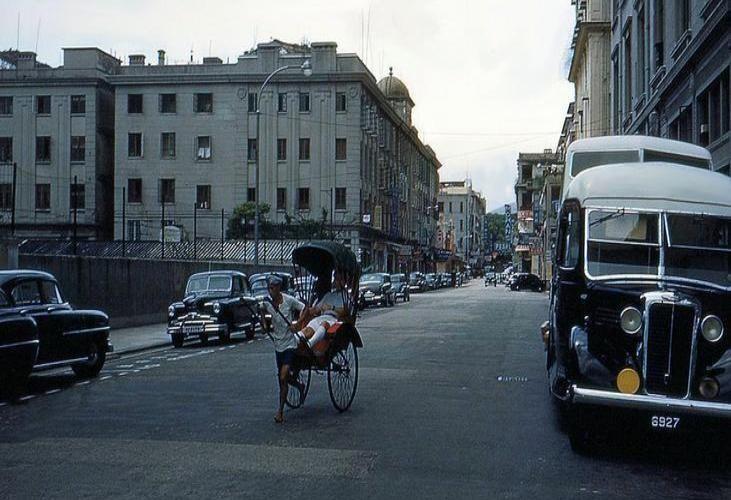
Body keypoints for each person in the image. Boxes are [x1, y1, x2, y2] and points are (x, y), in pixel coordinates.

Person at [259, 275, 305, 424]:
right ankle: (298, 385)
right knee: (282, 379)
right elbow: (261, 309)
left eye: (273, 288)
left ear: (278, 288)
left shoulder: (289, 300)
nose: (270, 291)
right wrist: (264, 324)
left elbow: (304, 308)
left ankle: (280, 411)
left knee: (283, 376)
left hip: (290, 344)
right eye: (269, 288)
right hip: (278, 345)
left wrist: (297, 324)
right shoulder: (267, 302)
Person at [294, 270, 349, 355]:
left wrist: (332, 308)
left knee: (324, 324)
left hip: (336, 321)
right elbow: (316, 309)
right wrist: (306, 310)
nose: (336, 282)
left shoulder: (346, 296)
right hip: (322, 317)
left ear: (344, 281)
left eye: (339, 279)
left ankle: (310, 344)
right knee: (308, 330)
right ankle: (294, 342)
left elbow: (345, 312)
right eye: (336, 279)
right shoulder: (328, 295)